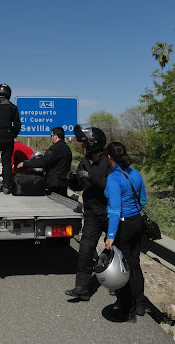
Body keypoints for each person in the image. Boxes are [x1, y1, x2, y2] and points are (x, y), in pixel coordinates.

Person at [64, 124, 109, 302]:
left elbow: (109, 185)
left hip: (109, 211)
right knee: (85, 250)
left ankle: (117, 286)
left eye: (84, 144)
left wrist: (90, 177)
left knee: (114, 249)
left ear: (93, 143)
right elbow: (80, 186)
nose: (82, 147)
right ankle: (82, 288)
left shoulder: (109, 160)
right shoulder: (85, 161)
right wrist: (73, 181)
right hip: (91, 212)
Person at [104, 141, 147, 323]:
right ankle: (140, 305)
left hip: (122, 226)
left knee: (122, 269)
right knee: (135, 264)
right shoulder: (134, 173)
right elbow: (143, 200)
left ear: (109, 157)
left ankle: (125, 310)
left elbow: (115, 210)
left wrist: (110, 235)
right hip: (137, 223)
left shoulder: (113, 178)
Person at [17, 127, 72, 196]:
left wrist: (26, 163)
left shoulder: (55, 148)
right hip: (63, 182)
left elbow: (43, 161)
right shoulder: (67, 148)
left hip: (54, 183)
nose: (51, 138)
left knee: (54, 203)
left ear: (55, 136)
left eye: (51, 136)